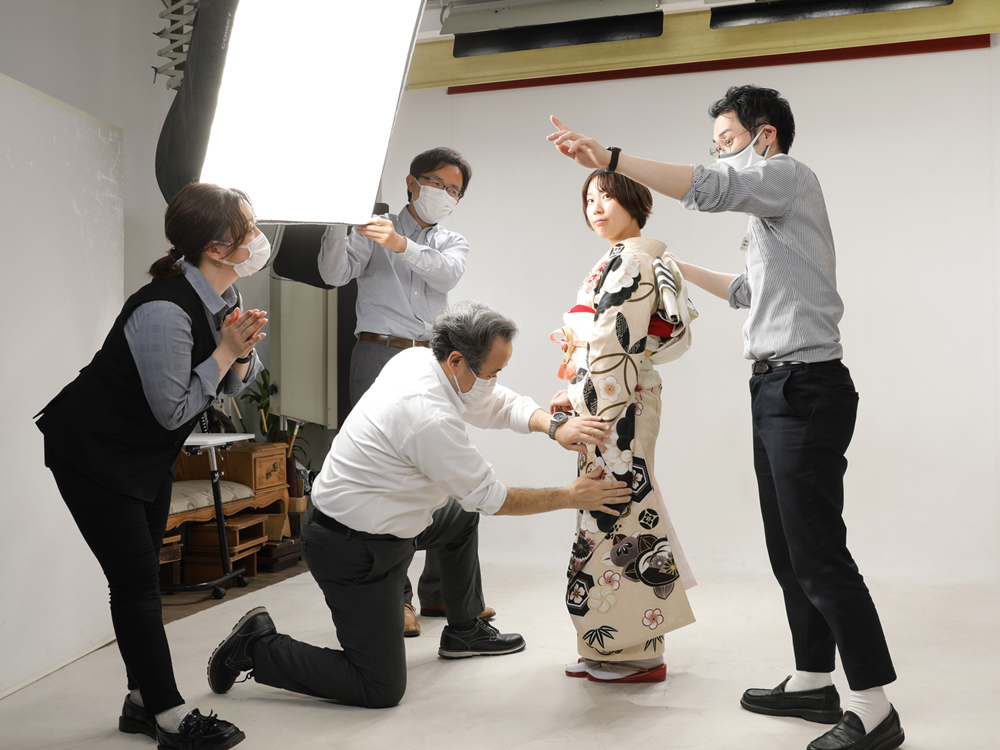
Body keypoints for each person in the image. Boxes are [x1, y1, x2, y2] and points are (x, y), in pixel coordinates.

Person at [547, 86, 903, 750]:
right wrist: (673, 265)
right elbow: (747, 292)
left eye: (728, 143)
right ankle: (812, 679)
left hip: (807, 387)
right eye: (715, 148)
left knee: (821, 556)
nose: (719, 157)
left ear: (764, 138)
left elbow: (708, 188)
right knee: (789, 551)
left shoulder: (788, 178)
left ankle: (874, 707)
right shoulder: (769, 222)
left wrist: (613, 157)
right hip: (775, 388)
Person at [206, 301, 629, 709]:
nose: (496, 380)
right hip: (351, 546)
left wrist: (553, 425)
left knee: (458, 516)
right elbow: (490, 497)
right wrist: (570, 496)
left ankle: (464, 630)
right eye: (494, 371)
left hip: (387, 520)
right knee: (379, 686)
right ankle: (255, 646)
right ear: (458, 361)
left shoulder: (420, 360)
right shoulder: (428, 417)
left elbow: (492, 401)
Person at [34, 183, 269, 750]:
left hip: (142, 456)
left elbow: (242, 380)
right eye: (250, 227)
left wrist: (238, 350)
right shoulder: (164, 309)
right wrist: (224, 353)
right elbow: (172, 412)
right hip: (92, 453)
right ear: (218, 247)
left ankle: (140, 702)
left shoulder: (221, 301)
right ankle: (167, 714)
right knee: (137, 583)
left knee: (141, 579)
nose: (259, 237)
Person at [317, 146, 483, 637]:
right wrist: (337, 223)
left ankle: (443, 594)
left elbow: (446, 273)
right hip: (376, 350)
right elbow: (333, 275)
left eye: (454, 190)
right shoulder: (371, 224)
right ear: (411, 182)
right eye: (437, 183)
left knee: (442, 466)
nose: (444, 195)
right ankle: (398, 599)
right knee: (386, 477)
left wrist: (400, 244)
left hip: (434, 358)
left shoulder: (452, 240)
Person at [550, 170, 698, 683]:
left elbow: (614, 347)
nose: (596, 206)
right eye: (588, 198)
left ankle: (634, 652)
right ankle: (610, 646)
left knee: (617, 509)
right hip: (615, 398)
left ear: (635, 199)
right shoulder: (623, 258)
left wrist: (578, 397)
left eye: (607, 196)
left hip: (619, 402)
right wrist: (573, 389)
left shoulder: (632, 261)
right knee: (611, 508)